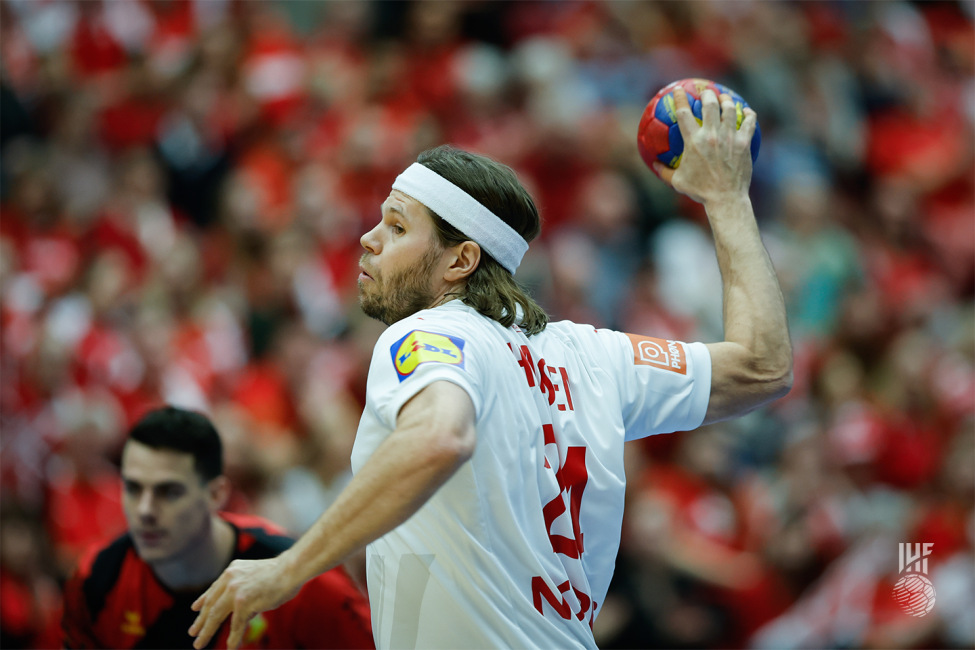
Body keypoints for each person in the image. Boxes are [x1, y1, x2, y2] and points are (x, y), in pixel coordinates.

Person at [189, 88, 792, 650]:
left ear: (460, 260)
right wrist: (728, 198)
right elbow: (763, 368)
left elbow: (439, 435)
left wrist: (287, 569)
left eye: (397, 226)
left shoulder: (430, 333)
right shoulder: (594, 355)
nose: (369, 239)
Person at [61, 406, 374, 650]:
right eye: (133, 488)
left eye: (168, 492)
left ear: (216, 495)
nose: (144, 510)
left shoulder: (299, 578)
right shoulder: (97, 577)